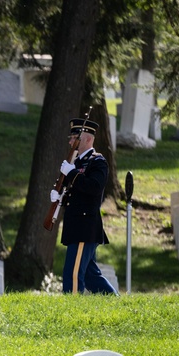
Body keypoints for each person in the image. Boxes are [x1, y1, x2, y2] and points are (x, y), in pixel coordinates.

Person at [49, 117, 117, 295]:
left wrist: (72, 174)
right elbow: (75, 195)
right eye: (71, 138)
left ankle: (70, 309)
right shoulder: (76, 163)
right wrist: (60, 197)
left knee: (73, 272)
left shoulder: (97, 162)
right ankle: (114, 300)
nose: (71, 141)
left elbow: (94, 188)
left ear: (87, 139)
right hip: (76, 225)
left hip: (85, 226)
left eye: (74, 138)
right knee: (89, 275)